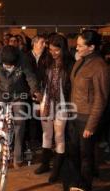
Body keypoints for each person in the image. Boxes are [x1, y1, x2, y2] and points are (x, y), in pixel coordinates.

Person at [68, 30, 110, 191]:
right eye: (77, 44)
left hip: (87, 118)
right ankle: (75, 184)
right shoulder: (81, 61)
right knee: (74, 153)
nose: (76, 48)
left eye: (80, 45)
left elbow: (101, 99)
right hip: (74, 115)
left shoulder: (100, 67)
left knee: (86, 156)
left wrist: (91, 126)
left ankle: (85, 190)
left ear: (91, 47)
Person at [34, 34, 74, 183]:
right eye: (51, 49)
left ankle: (57, 169)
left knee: (59, 136)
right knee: (46, 134)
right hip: (46, 101)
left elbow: (71, 86)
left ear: (63, 49)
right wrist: (39, 101)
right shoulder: (45, 61)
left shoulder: (70, 63)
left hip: (63, 104)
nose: (53, 53)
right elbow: (39, 82)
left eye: (57, 50)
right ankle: (45, 163)